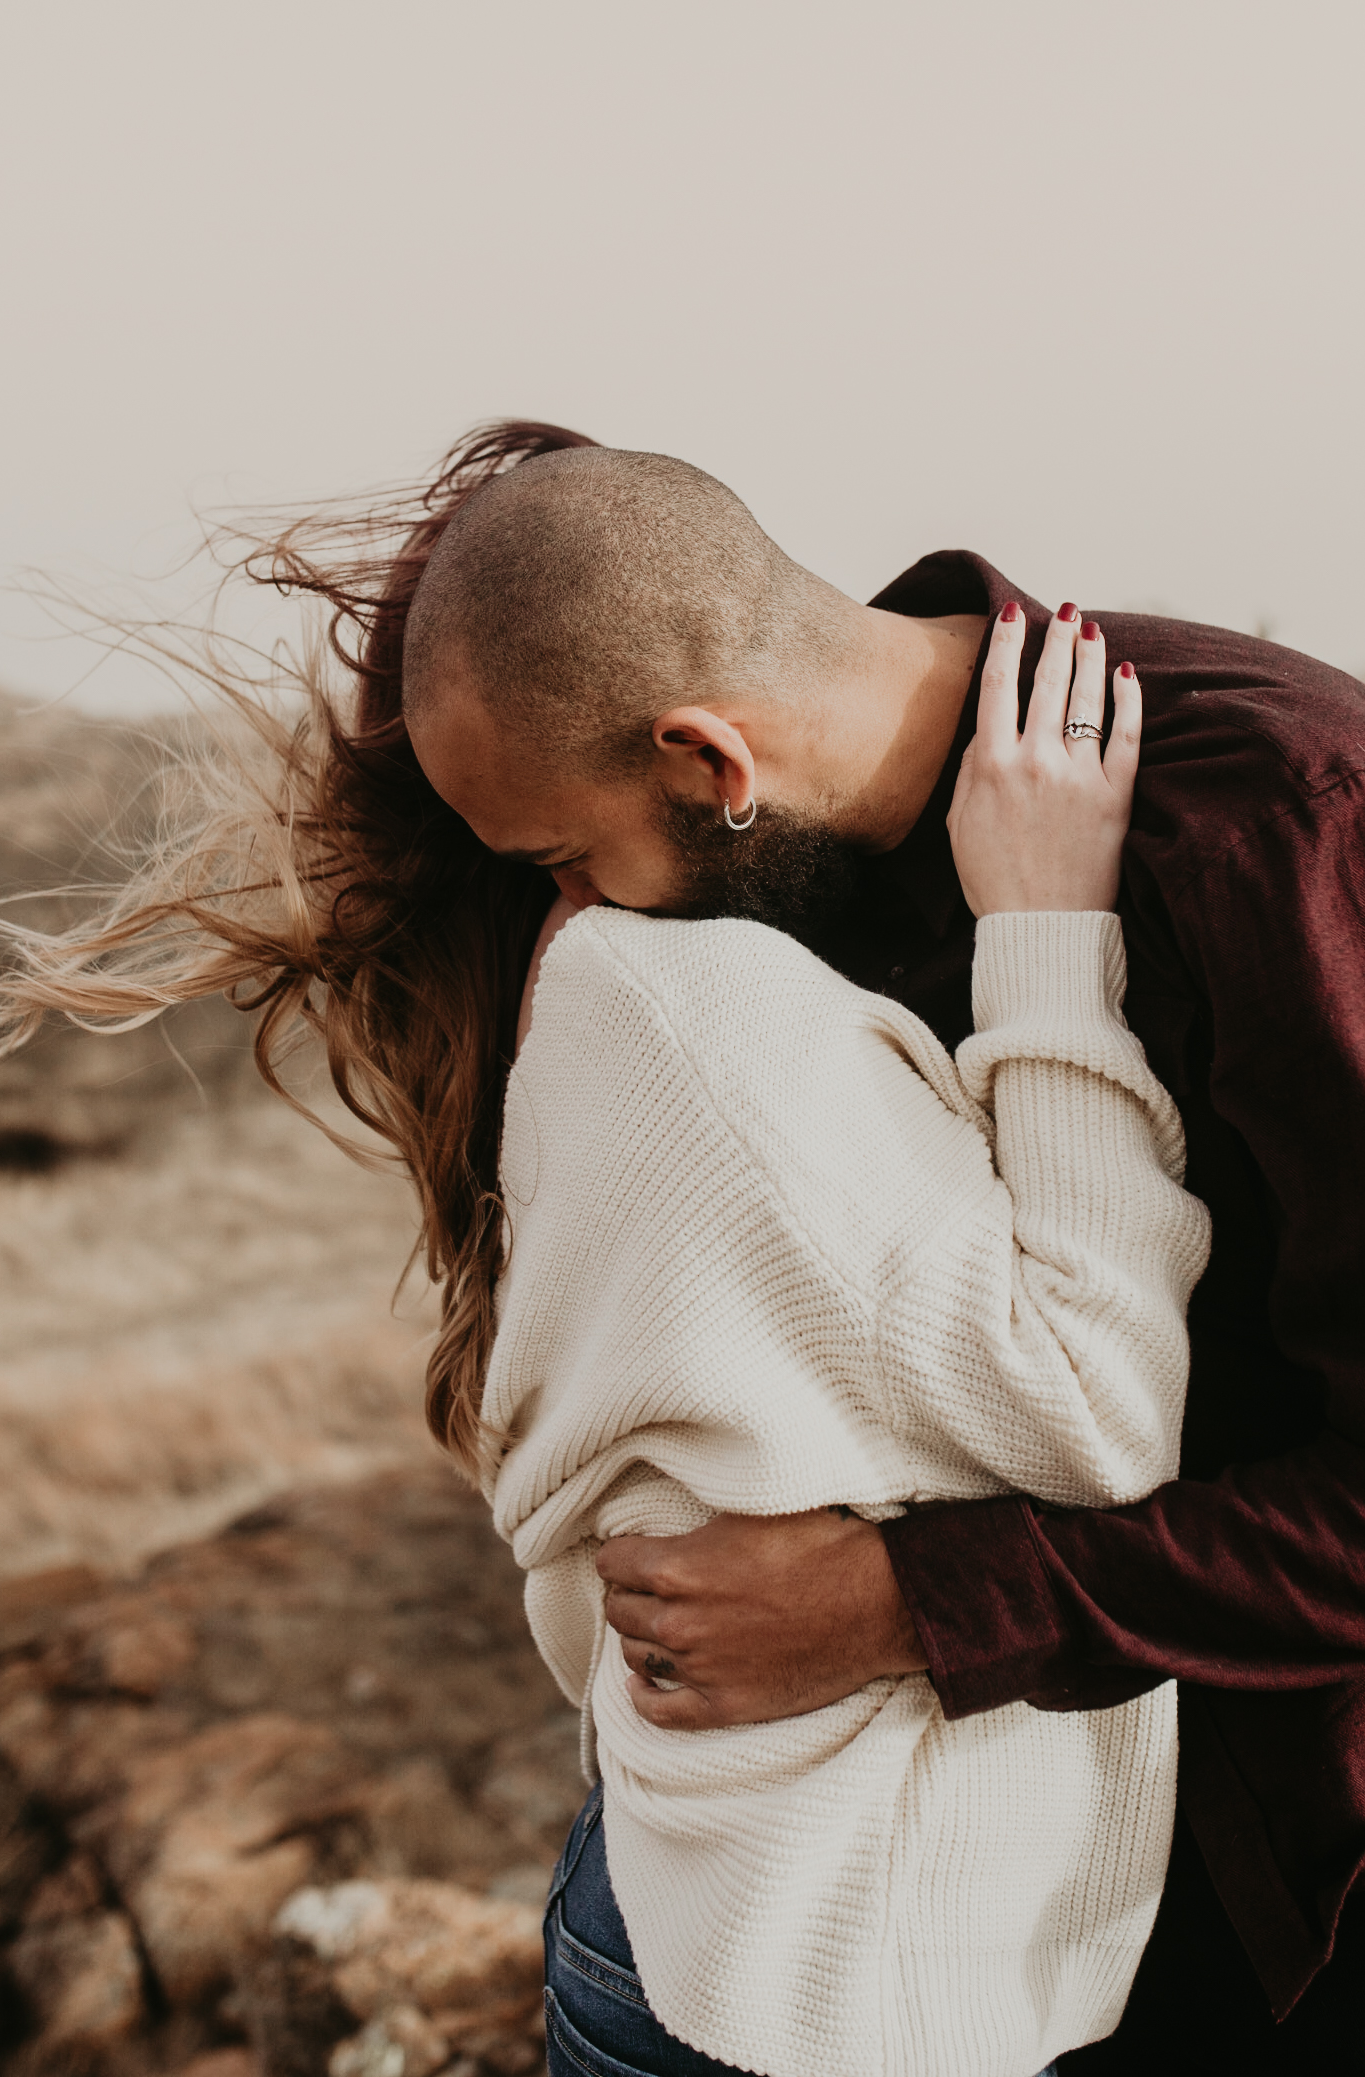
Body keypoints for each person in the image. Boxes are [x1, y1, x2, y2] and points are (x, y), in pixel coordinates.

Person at [0, 420, 1361, 2068]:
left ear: (714, 763)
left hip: (1237, 1899)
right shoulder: (728, 932)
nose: (575, 918)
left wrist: (905, 1601)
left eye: (567, 859)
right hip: (859, 1920)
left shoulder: (1271, 826)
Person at [483, 592, 1209, 2077]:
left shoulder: (590, 1003)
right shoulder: (709, 1018)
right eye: (548, 866)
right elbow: (1100, 1404)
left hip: (697, 1911)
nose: (569, 899)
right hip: (838, 1997)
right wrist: (1050, 937)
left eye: (559, 853)